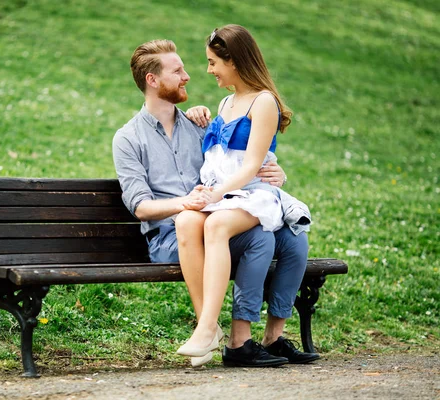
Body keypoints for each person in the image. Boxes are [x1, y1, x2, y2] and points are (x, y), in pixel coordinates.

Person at [112, 37, 318, 368]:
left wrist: (271, 168)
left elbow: (232, 162)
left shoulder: (199, 125)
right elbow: (140, 208)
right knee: (214, 226)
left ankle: (260, 338)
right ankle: (218, 331)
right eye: (177, 70)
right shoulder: (128, 138)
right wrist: (187, 202)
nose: (189, 75)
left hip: (214, 214)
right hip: (171, 235)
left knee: (288, 238)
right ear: (152, 80)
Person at [173, 24, 318, 367]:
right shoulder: (226, 101)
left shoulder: (263, 101)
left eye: (212, 62)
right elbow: (219, 159)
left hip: (251, 195)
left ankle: (209, 327)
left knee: (218, 227)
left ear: (234, 61)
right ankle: (210, 328)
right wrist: (206, 188)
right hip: (226, 195)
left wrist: (214, 194)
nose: (208, 71)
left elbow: (252, 164)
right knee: (196, 222)